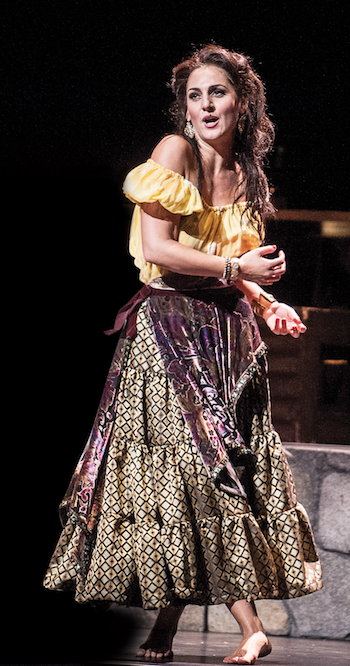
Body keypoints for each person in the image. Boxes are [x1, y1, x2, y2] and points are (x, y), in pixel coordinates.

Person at [44, 45, 322, 665]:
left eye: (216, 93)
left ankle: (166, 629)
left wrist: (264, 302)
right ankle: (251, 626)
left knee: (209, 474)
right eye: (194, 96)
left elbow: (237, 266)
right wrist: (235, 267)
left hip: (227, 336)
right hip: (169, 329)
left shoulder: (248, 177)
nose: (204, 106)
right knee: (196, 472)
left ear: (242, 102)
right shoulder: (175, 155)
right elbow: (160, 248)